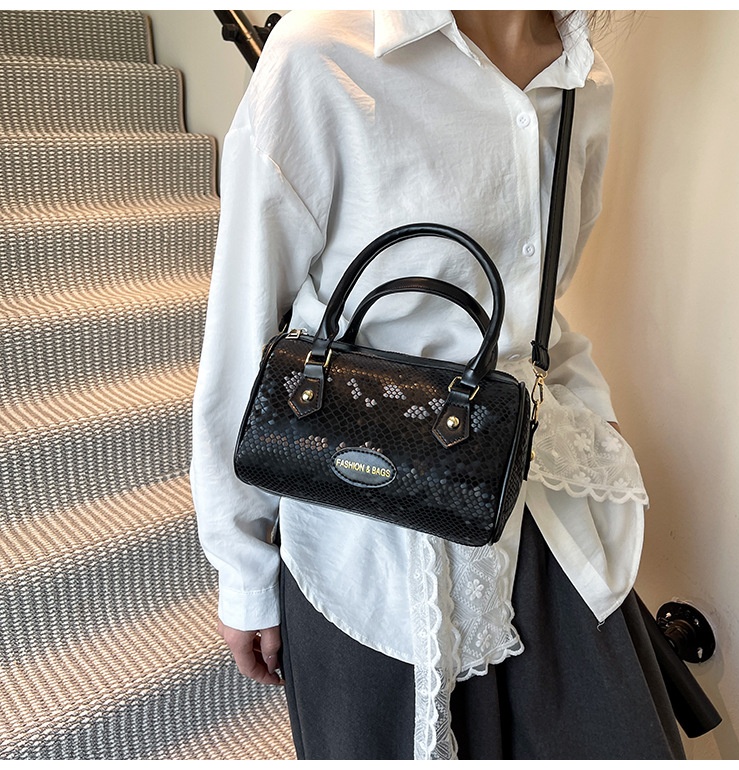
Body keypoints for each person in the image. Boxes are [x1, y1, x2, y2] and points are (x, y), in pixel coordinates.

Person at [191, 10, 685, 760]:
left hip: (523, 493)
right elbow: (241, 329)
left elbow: (538, 311)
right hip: (358, 531)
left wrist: (594, 416)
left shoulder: (583, 82)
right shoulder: (321, 54)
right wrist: (243, 568)